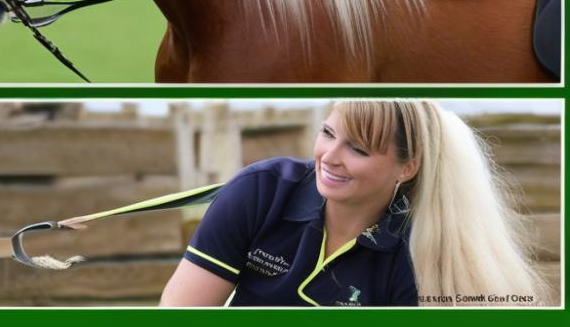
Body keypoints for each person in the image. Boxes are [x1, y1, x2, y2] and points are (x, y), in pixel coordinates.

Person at [160, 100, 546, 307]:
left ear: (406, 168)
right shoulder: (260, 190)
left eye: (358, 149)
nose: (329, 156)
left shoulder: (419, 258)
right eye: (328, 133)